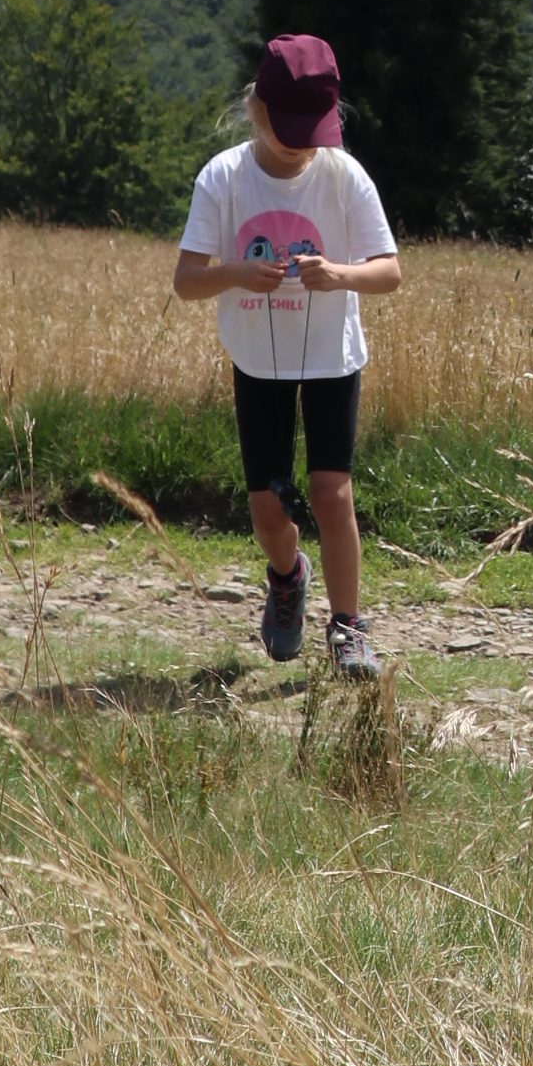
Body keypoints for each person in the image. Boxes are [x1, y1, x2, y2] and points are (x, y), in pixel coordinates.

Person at [173, 33, 402, 678]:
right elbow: (186, 282)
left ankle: (349, 629)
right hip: (258, 362)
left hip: (332, 357)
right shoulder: (223, 178)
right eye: (288, 130)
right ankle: (287, 575)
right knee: (269, 511)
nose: (301, 145)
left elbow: (389, 272)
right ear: (257, 109)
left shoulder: (344, 175)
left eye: (312, 132)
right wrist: (237, 274)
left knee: (332, 494)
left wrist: (339, 274)